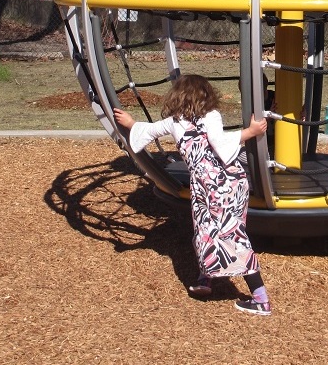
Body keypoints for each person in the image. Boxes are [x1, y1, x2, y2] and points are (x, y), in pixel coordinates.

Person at [113, 74, 272, 316]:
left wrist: (249, 133)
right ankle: (206, 279)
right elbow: (152, 130)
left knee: (230, 234)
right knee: (206, 231)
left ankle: (260, 298)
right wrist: (131, 123)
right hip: (217, 185)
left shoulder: (183, 121)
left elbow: (218, 143)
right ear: (206, 96)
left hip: (221, 184)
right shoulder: (186, 119)